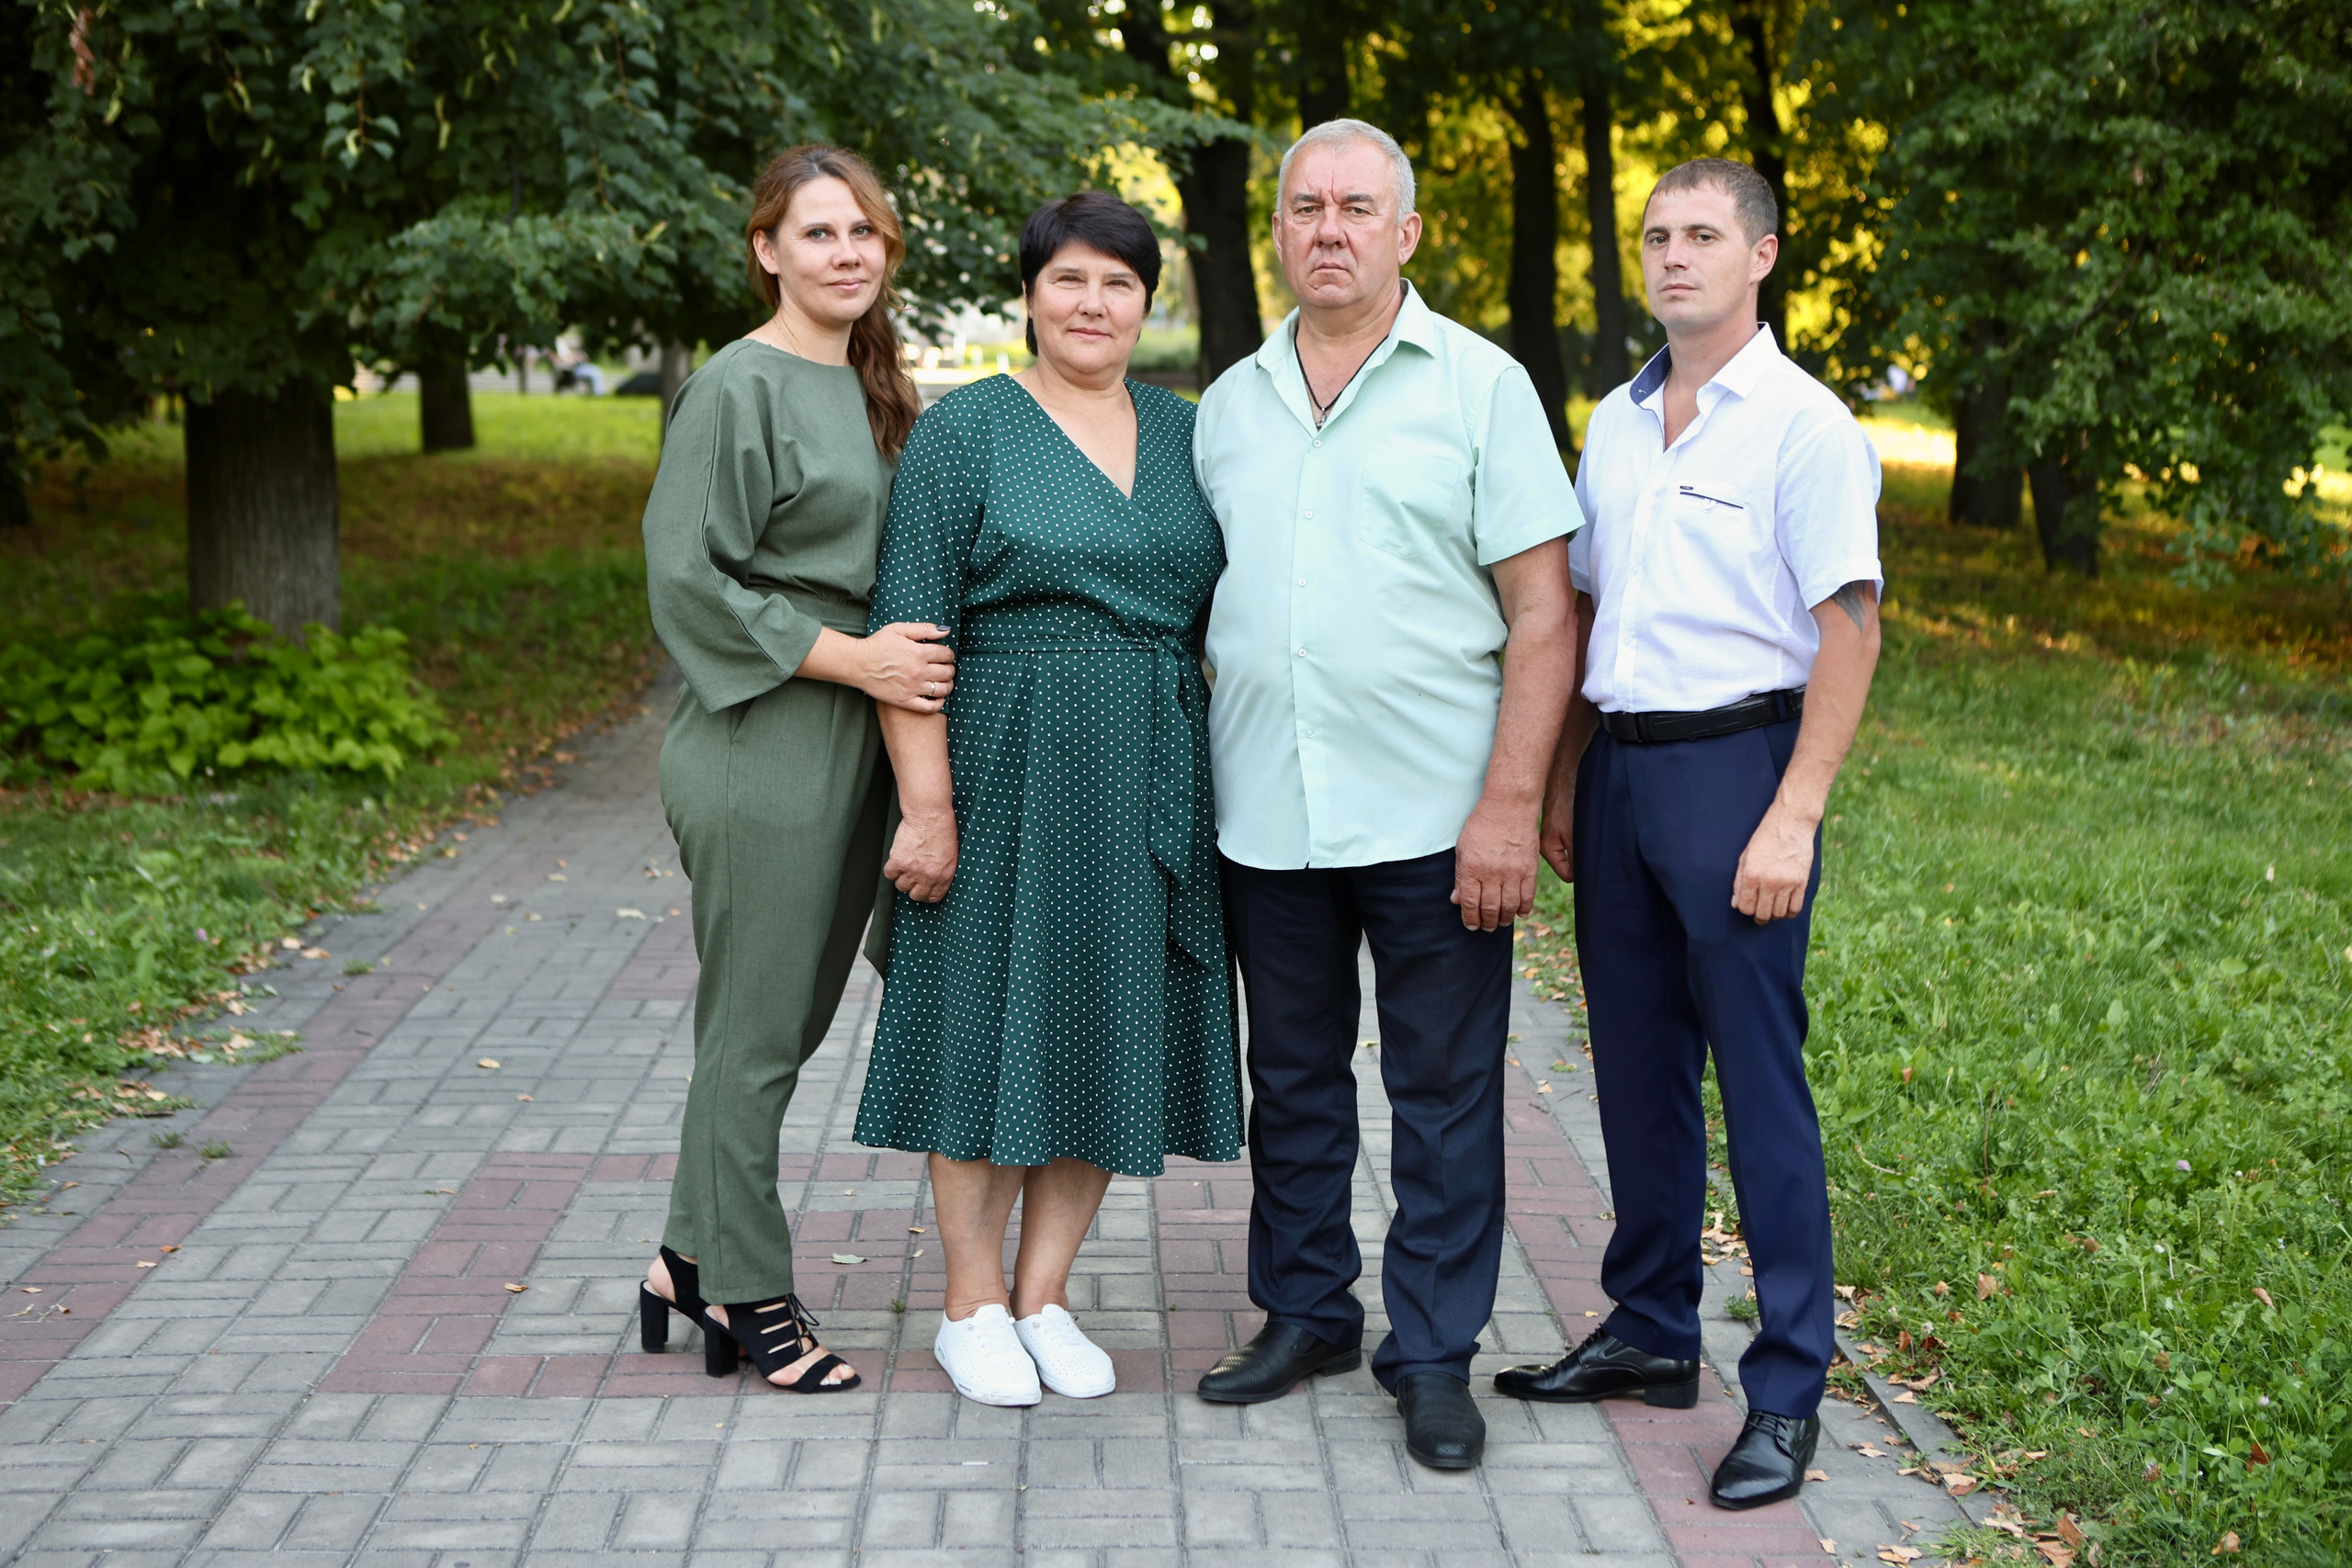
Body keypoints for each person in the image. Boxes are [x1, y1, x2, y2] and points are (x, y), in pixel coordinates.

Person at [1491, 157, 1883, 1511]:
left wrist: (1794, 814)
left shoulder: (1806, 427)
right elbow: (1590, 613)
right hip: (1623, 778)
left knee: (1761, 1088)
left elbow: (1851, 629)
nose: (1673, 257)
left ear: (1762, 254)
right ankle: (1650, 1330)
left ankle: (1785, 1390)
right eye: (1656, 236)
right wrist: (1557, 784)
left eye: (1703, 235)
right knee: (1635, 1072)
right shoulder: (1615, 420)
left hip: (1740, 771)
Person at [1189, 119, 1578, 1472]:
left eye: (1359, 206)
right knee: (1289, 1084)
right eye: (1305, 207)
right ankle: (1307, 1314)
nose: (1329, 228)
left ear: (1407, 233)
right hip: (1266, 815)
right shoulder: (1228, 403)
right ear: (1279, 231)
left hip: (1436, 819)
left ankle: (1432, 1354)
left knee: (1445, 1095)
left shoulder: (1481, 386)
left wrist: (1510, 807)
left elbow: (1542, 614)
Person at [853, 193, 1241, 1408]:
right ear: (1030, 293)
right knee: (986, 1025)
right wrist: (929, 810)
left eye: (1118, 284)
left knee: (1110, 1024)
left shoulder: (1190, 432)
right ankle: (968, 1305)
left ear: (1146, 300)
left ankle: (1045, 1297)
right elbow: (910, 634)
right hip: (1004, 755)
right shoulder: (962, 431)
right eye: (1069, 280)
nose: (1091, 305)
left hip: (1152, 763)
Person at [637, 145, 959, 1393]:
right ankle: (749, 1296)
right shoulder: (735, 388)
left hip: (855, 731)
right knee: (757, 1030)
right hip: (761, 731)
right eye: (820, 234)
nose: (849, 254)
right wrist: (858, 664)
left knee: (782, 1021)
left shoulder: (876, 386)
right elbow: (687, 577)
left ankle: (680, 1257)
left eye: (866, 233)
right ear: (767, 249)